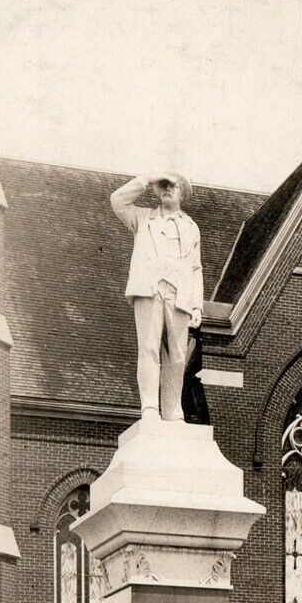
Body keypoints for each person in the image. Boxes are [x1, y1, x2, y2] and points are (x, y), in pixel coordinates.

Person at [109, 172, 204, 421]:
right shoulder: (143, 218)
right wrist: (149, 178)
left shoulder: (191, 227)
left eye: (172, 185)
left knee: (178, 355)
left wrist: (197, 306)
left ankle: (172, 411)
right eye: (162, 185)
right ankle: (150, 407)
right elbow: (117, 200)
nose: (166, 189)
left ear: (182, 192)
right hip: (149, 289)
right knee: (149, 348)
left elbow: (196, 268)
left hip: (179, 294)